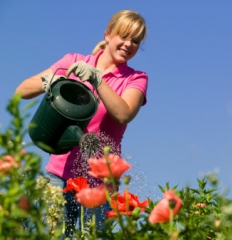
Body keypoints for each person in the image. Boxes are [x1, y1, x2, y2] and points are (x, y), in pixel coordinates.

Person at [15, 9, 148, 237]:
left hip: (100, 185)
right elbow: (22, 90)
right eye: (123, 36)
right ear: (108, 34)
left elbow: (124, 113)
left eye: (135, 41)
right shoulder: (73, 62)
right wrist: (51, 80)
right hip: (59, 175)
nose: (128, 44)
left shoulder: (136, 79)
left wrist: (97, 79)